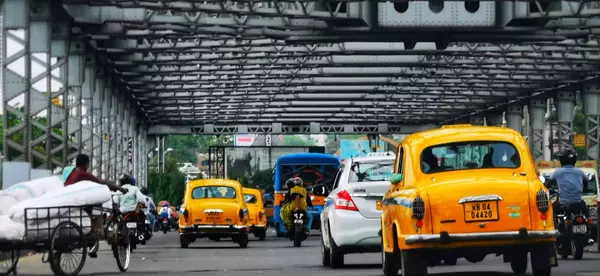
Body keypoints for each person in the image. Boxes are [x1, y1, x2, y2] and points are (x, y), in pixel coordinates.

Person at [547, 148, 589, 216]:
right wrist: (585, 189)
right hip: (579, 202)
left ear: (561, 159)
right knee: (587, 215)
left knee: (552, 212)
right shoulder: (580, 171)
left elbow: (547, 184)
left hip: (564, 203)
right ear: (574, 159)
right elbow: (586, 181)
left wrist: (546, 188)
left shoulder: (558, 172)